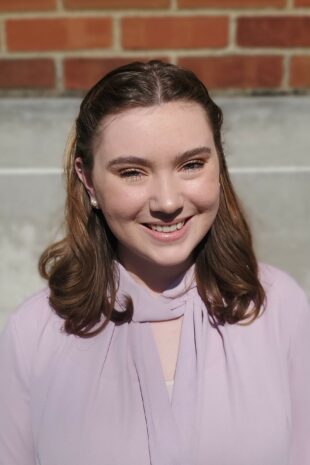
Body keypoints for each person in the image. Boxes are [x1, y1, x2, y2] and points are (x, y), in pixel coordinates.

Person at [0, 60, 309, 465]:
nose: (167, 202)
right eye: (132, 172)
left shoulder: (279, 307)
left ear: (219, 164)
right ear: (88, 180)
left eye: (192, 164)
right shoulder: (33, 334)